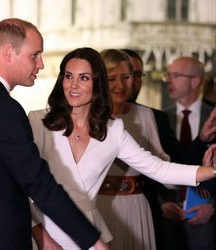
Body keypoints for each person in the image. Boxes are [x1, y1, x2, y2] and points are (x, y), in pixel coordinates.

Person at [28, 47, 216, 250]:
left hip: (90, 239)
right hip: (43, 234)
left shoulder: (113, 130)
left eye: (83, 78)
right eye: (68, 76)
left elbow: (159, 169)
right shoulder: (38, 122)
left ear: (98, 83)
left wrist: (212, 171)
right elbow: (17, 185)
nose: (73, 85)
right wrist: (41, 236)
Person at [0, 18, 108, 250]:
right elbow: (39, 184)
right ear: (9, 53)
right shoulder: (4, 109)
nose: (41, 64)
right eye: (35, 55)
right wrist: (93, 242)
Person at [96, 48, 169, 250]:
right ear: (100, 80)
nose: (120, 85)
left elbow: (162, 165)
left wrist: (201, 171)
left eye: (126, 77)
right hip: (100, 208)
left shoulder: (146, 115)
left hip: (137, 208)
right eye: (111, 79)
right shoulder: (87, 116)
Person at [162, 56, 216, 250]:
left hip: (207, 224)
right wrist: (160, 204)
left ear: (195, 81)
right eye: (168, 75)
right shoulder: (159, 119)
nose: (168, 80)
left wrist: (213, 207)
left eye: (176, 75)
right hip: (166, 219)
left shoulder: (213, 117)